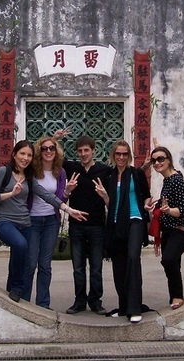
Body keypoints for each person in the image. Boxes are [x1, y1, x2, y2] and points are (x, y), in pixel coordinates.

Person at [0, 140, 87, 303]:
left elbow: (47, 195)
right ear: (14, 154)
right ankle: (20, 294)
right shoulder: (17, 171)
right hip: (18, 220)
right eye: (22, 154)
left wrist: (68, 209)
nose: (25, 158)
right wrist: (8, 190)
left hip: (37, 222)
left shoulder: (39, 175)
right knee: (25, 255)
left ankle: (37, 303)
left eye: (28, 155)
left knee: (38, 263)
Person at [54, 130, 112, 315]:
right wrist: (56, 139)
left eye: (86, 150)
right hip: (76, 225)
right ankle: (79, 302)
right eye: (80, 151)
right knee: (78, 268)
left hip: (97, 225)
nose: (83, 154)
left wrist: (105, 196)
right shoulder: (72, 168)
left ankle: (95, 301)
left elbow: (124, 174)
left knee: (96, 268)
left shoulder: (104, 170)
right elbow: (52, 155)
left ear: (93, 150)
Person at [96, 140, 153, 324]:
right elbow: (110, 203)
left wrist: (146, 204)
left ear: (129, 156)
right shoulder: (109, 176)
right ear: (113, 155)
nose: (121, 157)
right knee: (118, 264)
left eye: (125, 154)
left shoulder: (136, 174)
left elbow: (146, 196)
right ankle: (123, 306)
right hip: (115, 224)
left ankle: (135, 307)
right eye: (118, 154)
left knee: (132, 258)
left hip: (135, 220)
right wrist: (105, 196)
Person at [21, 137, 77, 309]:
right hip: (32, 220)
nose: (48, 151)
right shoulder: (30, 171)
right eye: (44, 148)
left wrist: (67, 192)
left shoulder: (59, 172)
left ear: (56, 151)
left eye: (51, 148)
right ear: (39, 151)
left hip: (51, 221)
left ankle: (43, 304)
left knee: (45, 264)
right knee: (30, 263)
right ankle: (24, 303)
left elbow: (58, 199)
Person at [148, 146, 184, 310]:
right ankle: (175, 295)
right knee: (172, 263)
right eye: (154, 160)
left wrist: (168, 210)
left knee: (168, 259)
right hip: (168, 230)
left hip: (180, 229)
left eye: (161, 159)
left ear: (169, 160)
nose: (157, 163)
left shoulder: (177, 181)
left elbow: (183, 210)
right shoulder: (168, 180)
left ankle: (177, 296)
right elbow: (166, 203)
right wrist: (156, 207)